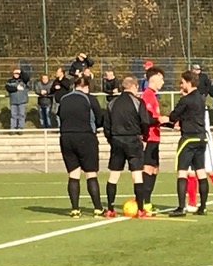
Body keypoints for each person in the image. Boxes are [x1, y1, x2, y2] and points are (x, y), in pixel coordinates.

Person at [103, 76, 151, 218]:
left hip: (117, 139)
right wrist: (144, 137)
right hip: (133, 140)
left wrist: (111, 140)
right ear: (134, 87)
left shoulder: (112, 103)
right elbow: (145, 122)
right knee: (137, 175)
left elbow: (106, 125)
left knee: (113, 175)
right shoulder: (138, 102)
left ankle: (110, 208)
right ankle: (140, 209)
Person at [58, 75, 105, 218]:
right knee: (91, 173)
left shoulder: (64, 99)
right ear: (87, 87)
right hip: (85, 137)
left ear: (74, 86)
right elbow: (99, 118)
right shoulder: (89, 99)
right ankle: (98, 208)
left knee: (73, 173)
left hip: (66, 137)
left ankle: (75, 209)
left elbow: (59, 116)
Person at [167, 71, 209, 218]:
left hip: (188, 138)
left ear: (188, 83)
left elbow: (173, 116)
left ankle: (181, 207)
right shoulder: (201, 98)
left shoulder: (186, 100)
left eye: (182, 82)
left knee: (182, 172)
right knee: (201, 172)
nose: (181, 85)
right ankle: (203, 207)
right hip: (201, 138)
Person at [139, 66, 165, 215]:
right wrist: (162, 120)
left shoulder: (153, 96)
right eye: (161, 78)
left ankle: (147, 202)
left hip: (155, 137)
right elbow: (147, 119)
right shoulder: (147, 95)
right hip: (149, 138)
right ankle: (144, 202)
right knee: (148, 168)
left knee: (154, 169)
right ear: (153, 79)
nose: (163, 82)